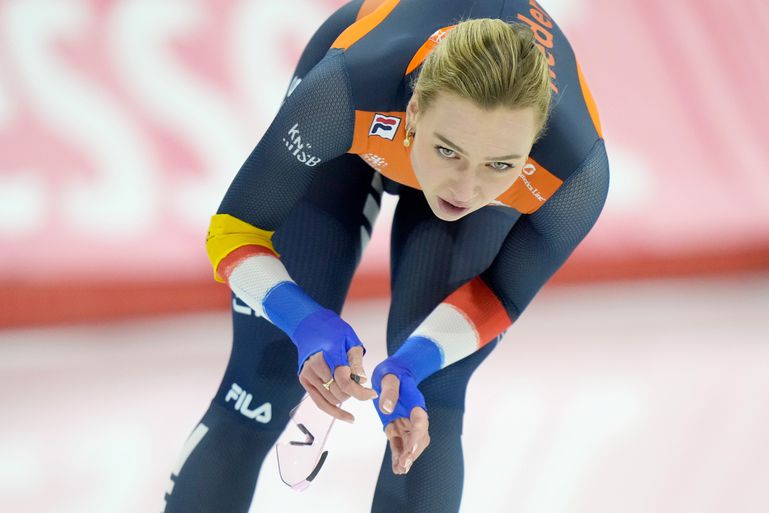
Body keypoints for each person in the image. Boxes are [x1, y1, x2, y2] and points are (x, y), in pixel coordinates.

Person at [162, 0, 609, 511]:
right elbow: (233, 231)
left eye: (500, 164)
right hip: (361, 123)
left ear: (534, 144)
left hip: (418, 129)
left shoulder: (577, 174)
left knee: (431, 399)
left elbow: (501, 295)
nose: (466, 187)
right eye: (448, 152)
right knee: (262, 382)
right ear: (414, 110)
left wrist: (415, 362)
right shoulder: (343, 91)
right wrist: (302, 321)